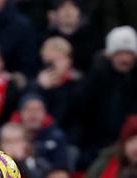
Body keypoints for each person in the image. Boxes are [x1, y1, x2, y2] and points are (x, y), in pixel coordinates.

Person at [76, 25, 137, 168]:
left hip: (130, 143)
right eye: (120, 53)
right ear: (110, 54)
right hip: (96, 143)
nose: (125, 59)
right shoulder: (97, 75)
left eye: (129, 54)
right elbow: (81, 106)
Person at [31, 37, 83, 134]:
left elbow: (68, 115)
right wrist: (40, 88)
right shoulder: (35, 85)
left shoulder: (78, 83)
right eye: (49, 62)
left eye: (58, 59)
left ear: (69, 60)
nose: (53, 66)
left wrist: (58, 87)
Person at [10, 93, 73, 170]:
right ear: (20, 113)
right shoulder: (9, 135)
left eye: (38, 109)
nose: (33, 114)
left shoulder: (57, 137)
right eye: (28, 109)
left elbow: (61, 170)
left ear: (45, 113)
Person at [44, 0, 102, 73]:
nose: (67, 11)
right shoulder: (48, 37)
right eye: (62, 7)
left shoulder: (91, 36)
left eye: (73, 7)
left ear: (79, 12)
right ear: (56, 13)